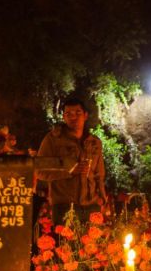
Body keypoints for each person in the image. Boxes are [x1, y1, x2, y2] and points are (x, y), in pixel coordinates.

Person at [35, 95, 106, 225]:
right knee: (66, 245)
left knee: (94, 245)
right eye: (68, 113)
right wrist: (69, 171)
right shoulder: (53, 140)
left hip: (92, 206)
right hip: (64, 207)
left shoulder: (94, 142)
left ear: (85, 115)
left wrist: (102, 198)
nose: (73, 117)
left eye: (77, 113)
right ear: (64, 117)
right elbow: (39, 171)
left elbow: (99, 174)